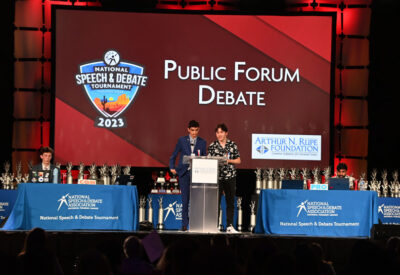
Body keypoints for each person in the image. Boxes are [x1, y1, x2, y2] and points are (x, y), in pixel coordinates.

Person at [169, 120, 207, 231]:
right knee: (185, 200)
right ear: (188, 130)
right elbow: (174, 155)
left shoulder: (202, 142)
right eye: (192, 130)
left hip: (197, 173)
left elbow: (204, 158)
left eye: (196, 130)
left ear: (198, 130)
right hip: (184, 173)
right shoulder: (182, 140)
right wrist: (172, 167)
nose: (194, 132)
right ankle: (184, 225)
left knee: (196, 200)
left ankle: (196, 224)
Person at [207, 123, 241, 233]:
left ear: (226, 133)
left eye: (221, 132)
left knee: (230, 202)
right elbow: (208, 160)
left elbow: (238, 160)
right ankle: (214, 226)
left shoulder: (232, 145)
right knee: (215, 202)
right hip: (216, 177)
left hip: (230, 177)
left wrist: (228, 161)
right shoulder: (212, 146)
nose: (219, 134)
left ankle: (229, 226)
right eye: (217, 132)